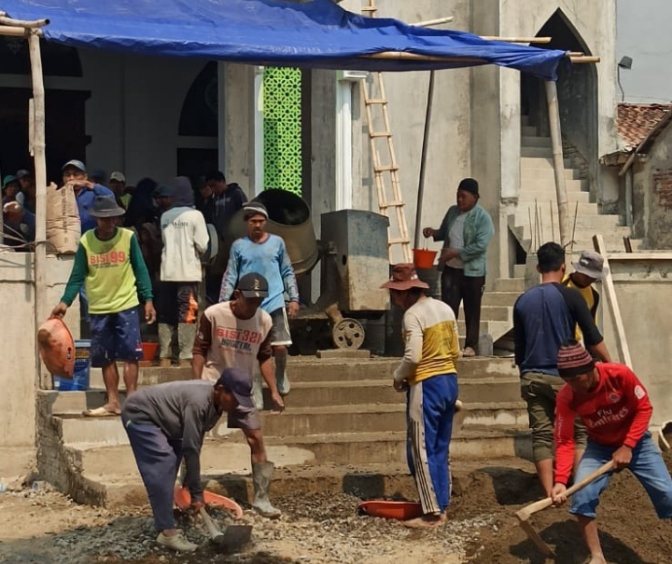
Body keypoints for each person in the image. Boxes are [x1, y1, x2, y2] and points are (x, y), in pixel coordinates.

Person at [551, 341, 672, 564]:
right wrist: (560, 480)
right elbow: (565, 440)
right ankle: (597, 556)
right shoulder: (567, 396)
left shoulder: (620, 375)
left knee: (667, 493)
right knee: (582, 496)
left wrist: (627, 446)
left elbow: (644, 408)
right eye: (567, 381)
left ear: (589, 369)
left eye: (576, 380)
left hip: (637, 444)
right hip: (600, 448)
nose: (572, 386)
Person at [513, 242, 612, 497]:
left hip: (532, 376)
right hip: (566, 378)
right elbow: (592, 337)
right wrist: (611, 366)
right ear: (563, 266)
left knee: (542, 435)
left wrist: (526, 374)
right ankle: (578, 490)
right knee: (579, 433)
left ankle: (549, 494)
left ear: (537, 268)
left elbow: (520, 349)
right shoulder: (571, 296)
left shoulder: (523, 300)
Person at [122, 368, 251, 552]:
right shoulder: (199, 401)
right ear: (221, 389)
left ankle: (163, 518)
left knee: (172, 464)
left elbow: (194, 441)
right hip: (140, 414)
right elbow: (191, 447)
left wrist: (190, 481)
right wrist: (197, 495)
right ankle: (167, 533)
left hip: (169, 421)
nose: (238, 405)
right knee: (163, 464)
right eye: (236, 399)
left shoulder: (217, 404)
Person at [51, 195, 156, 416]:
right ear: (96, 219)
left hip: (126, 304)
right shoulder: (86, 241)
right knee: (106, 358)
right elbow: (77, 276)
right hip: (99, 308)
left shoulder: (128, 238)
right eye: (104, 219)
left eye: (113, 219)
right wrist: (65, 302)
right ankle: (113, 402)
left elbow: (141, 270)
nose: (109, 224)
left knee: (130, 355)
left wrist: (148, 299)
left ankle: (133, 401)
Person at [193, 272, 284, 518]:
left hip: (242, 390)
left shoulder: (264, 320)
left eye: (259, 300)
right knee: (193, 438)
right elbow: (199, 350)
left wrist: (273, 390)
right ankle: (186, 490)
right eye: (250, 299)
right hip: (213, 385)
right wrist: (196, 383)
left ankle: (262, 499)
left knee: (256, 438)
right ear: (237, 295)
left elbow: (265, 357)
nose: (254, 305)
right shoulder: (213, 315)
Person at [380, 264, 460, 528]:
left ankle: (432, 513)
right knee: (440, 448)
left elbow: (413, 356)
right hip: (449, 380)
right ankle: (442, 504)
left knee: (420, 449)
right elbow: (456, 350)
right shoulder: (445, 308)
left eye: (395, 293)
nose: (394, 299)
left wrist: (398, 376)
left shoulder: (412, 315)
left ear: (404, 293)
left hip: (426, 384)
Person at [220, 202, 299, 401]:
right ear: (247, 223)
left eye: (261, 221)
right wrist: (223, 302)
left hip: (274, 300)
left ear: (266, 222)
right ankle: (255, 392)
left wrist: (294, 298)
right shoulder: (239, 246)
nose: (257, 225)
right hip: (249, 304)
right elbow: (231, 274)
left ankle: (280, 374)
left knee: (280, 346)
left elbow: (287, 270)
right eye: (253, 221)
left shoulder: (277, 243)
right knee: (251, 351)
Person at [422, 178, 494, 357]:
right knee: (447, 308)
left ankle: (471, 346)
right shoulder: (453, 212)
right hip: (451, 270)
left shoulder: (482, 218)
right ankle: (447, 344)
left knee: (472, 309)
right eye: (458, 196)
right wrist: (434, 233)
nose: (459, 200)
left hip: (473, 272)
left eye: (464, 196)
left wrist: (456, 253)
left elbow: (480, 245)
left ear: (475, 197)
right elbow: (445, 231)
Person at [158, 177, 209, 367]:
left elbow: (164, 241)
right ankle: (185, 355)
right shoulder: (196, 216)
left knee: (166, 312)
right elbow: (203, 245)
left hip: (167, 272)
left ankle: (164, 355)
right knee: (187, 311)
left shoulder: (165, 216)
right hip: (188, 272)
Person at [202, 171, 247, 303]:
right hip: (220, 239)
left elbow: (244, 214)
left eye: (214, 185)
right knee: (218, 269)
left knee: (236, 268)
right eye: (210, 187)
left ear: (222, 182)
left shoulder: (236, 194)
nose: (213, 189)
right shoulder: (215, 199)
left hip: (235, 239)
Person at [61, 159, 114, 233]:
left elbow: (110, 197)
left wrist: (88, 184)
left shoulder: (91, 194)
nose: (71, 178)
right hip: (67, 240)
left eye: (76, 174)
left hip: (89, 240)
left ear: (85, 177)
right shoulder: (59, 197)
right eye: (67, 175)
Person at [562, 250, 605, 342]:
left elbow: (590, 331)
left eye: (593, 277)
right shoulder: (561, 285)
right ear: (578, 270)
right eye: (586, 275)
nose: (590, 279)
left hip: (577, 344)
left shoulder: (594, 295)